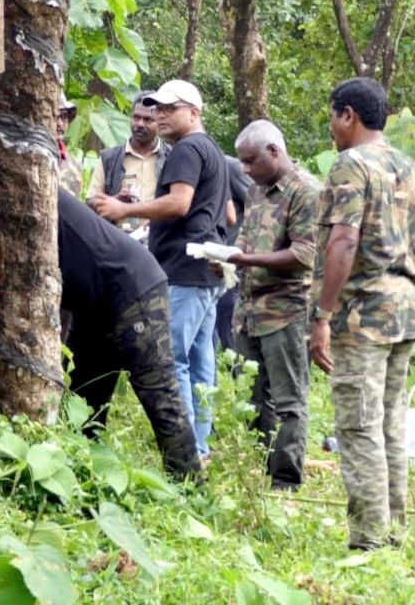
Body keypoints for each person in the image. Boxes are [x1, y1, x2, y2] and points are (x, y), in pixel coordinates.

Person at [309, 77, 415, 550]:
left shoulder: (350, 165)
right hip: (404, 309)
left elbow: (344, 240)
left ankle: (369, 539)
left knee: (359, 427)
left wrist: (323, 313)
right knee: (390, 423)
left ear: (348, 116)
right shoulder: (410, 166)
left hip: (362, 315)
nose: (332, 128)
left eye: (332, 117)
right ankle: (394, 528)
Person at [88, 79, 230, 461]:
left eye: (170, 109)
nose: (161, 115)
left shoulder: (185, 150)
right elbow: (227, 212)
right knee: (202, 364)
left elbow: (180, 204)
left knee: (175, 360)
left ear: (194, 113)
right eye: (158, 109)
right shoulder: (211, 150)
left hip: (184, 269)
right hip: (205, 271)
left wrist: (125, 210)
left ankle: (185, 452)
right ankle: (200, 446)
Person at [57, 190, 201, 476]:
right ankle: (84, 474)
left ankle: (191, 485)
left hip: (132, 286)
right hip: (92, 302)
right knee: (83, 398)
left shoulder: (32, 187)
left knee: (160, 395)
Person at [227, 119, 320, 490]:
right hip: (249, 310)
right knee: (252, 394)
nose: (246, 170)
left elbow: (304, 253)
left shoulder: (305, 192)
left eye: (251, 161)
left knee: (288, 399)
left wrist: (248, 262)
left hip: (287, 311)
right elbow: (248, 240)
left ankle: (286, 479)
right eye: (243, 163)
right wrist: (229, 258)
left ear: (274, 152)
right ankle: (264, 465)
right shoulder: (256, 191)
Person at [89, 92, 168, 235]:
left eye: (148, 120)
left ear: (160, 122)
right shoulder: (109, 158)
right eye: (136, 117)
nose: (139, 124)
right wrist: (115, 200)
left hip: (159, 239)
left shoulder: (171, 157)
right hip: (118, 239)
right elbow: (90, 202)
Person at [215, 154, 253, 352]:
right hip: (205, 260)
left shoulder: (228, 166)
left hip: (231, 259)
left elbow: (257, 205)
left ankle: (239, 375)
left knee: (228, 323)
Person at [56, 99, 83, 196]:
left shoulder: (75, 166)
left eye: (64, 117)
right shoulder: (31, 158)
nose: (60, 123)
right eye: (54, 117)